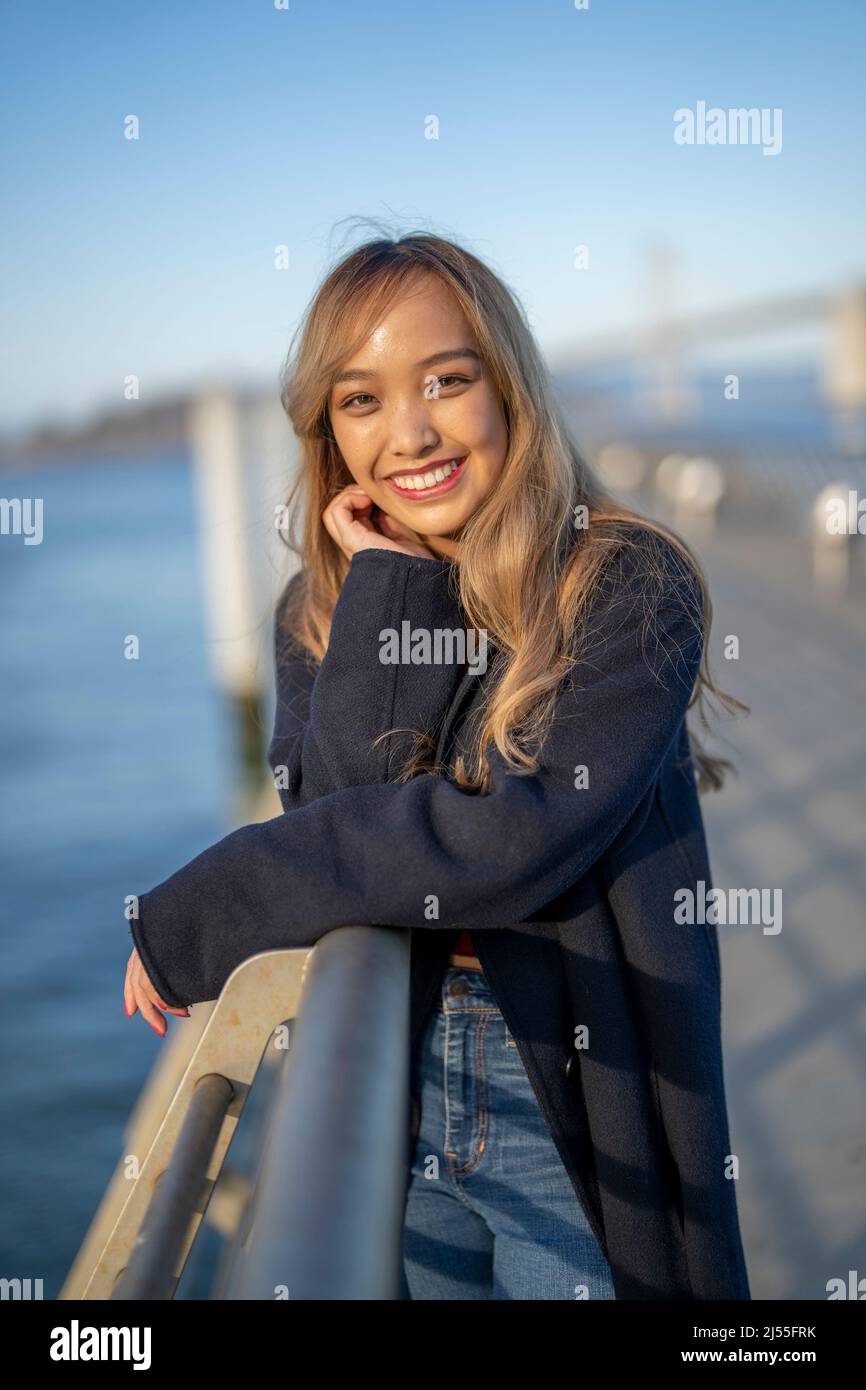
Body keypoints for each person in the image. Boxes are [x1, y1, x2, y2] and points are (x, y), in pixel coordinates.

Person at [123, 231, 751, 1300]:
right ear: (327, 427)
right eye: (359, 399)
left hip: (569, 1086)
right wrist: (384, 596)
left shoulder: (625, 584)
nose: (407, 432)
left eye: (446, 381)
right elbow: (335, 812)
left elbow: (503, 842)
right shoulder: (321, 611)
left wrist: (207, 908)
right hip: (386, 1073)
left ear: (507, 385)